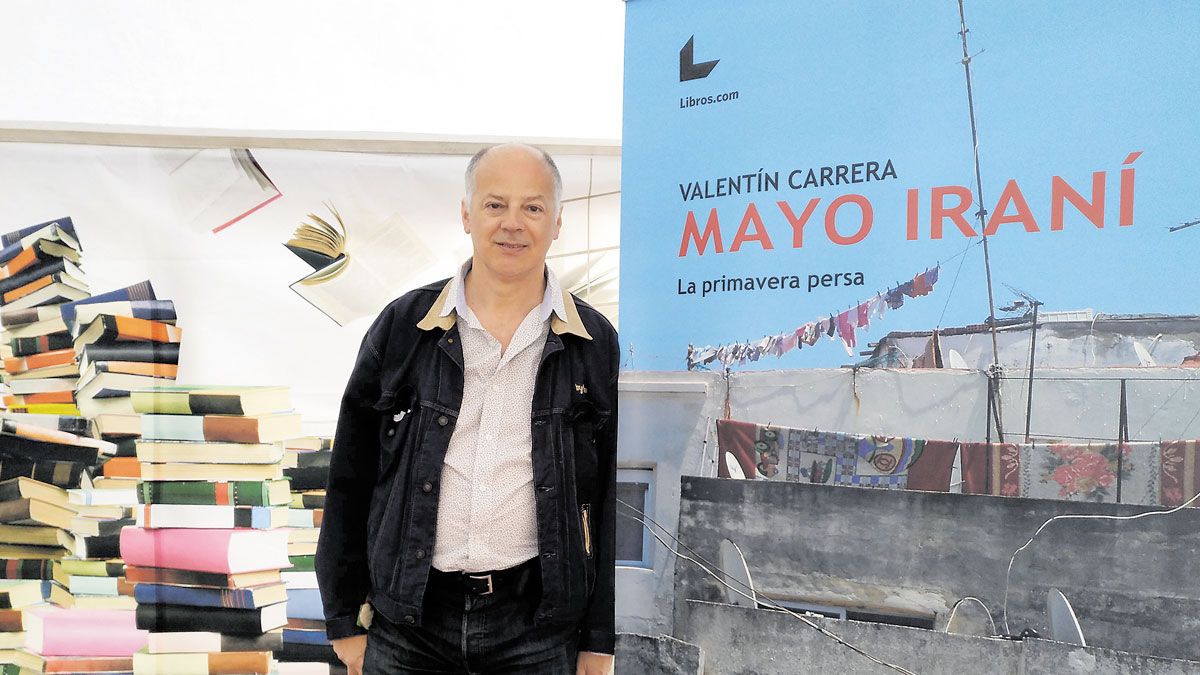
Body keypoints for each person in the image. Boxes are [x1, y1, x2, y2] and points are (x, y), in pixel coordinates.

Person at [316, 143, 618, 675]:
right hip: (407, 625)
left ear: (557, 223)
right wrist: (343, 619)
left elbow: (610, 496)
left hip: (537, 628)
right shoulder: (404, 327)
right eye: (495, 204)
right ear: (466, 214)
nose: (512, 223)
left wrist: (599, 638)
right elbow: (349, 477)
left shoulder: (593, 342)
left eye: (532, 207)